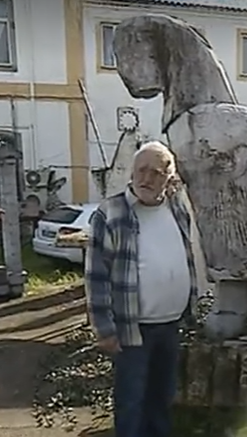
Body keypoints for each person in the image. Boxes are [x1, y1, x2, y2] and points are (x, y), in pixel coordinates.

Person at [85, 140, 198, 437]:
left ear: (169, 179)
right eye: (142, 170)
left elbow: (185, 257)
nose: (147, 179)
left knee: (162, 398)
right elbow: (96, 274)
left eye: (157, 173)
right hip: (132, 329)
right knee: (131, 402)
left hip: (171, 324)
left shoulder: (177, 209)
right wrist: (104, 329)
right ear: (132, 173)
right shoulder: (110, 212)